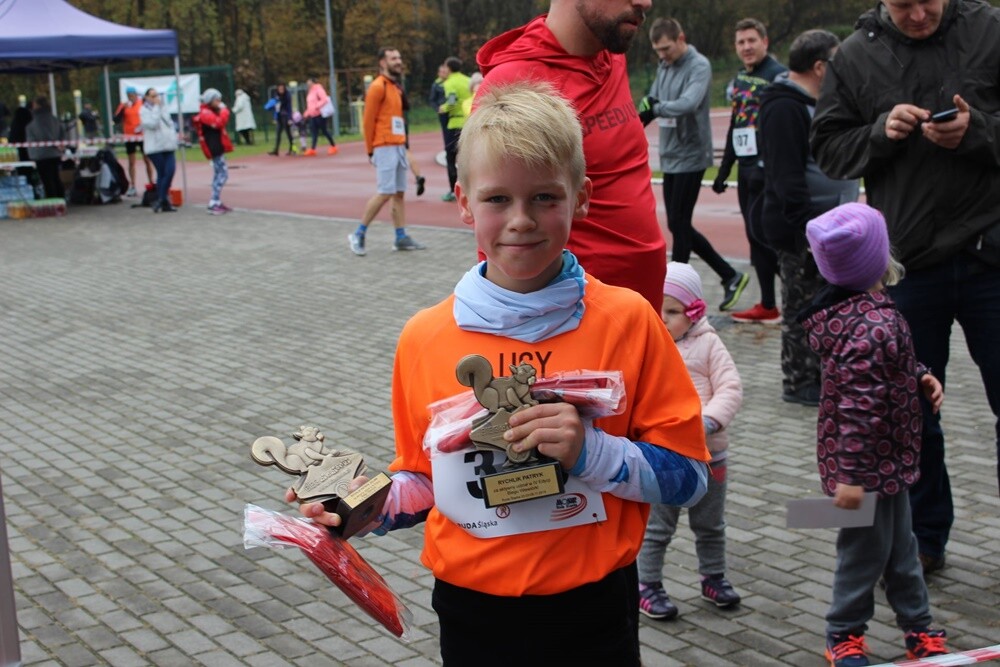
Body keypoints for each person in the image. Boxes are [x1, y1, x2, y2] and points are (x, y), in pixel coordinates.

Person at [288, 80, 710, 666]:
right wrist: (364, 505)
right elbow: (425, 483)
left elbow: (690, 477)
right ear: (463, 202)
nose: (521, 221)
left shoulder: (630, 321)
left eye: (544, 197)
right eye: (497, 200)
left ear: (581, 197)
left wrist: (591, 452)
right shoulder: (424, 338)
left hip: (594, 610)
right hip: (472, 612)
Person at [810, 0, 1000, 576]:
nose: (919, 14)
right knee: (913, 410)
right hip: (912, 263)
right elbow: (828, 147)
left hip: (992, 252)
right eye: (903, 4)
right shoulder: (857, 53)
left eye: (929, 1)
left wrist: (979, 131)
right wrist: (879, 133)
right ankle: (926, 537)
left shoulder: (990, 29)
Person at [800, 203, 948, 667]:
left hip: (891, 463)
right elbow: (858, 409)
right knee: (863, 554)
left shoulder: (867, 315)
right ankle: (843, 632)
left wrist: (920, 375)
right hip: (865, 471)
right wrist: (850, 477)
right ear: (878, 259)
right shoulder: (872, 324)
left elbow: (889, 370)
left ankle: (918, 625)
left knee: (902, 549)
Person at [477, 0, 667, 312]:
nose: (645, 2)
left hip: (642, 315)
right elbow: (495, 230)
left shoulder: (611, 55)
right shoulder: (516, 84)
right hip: (576, 325)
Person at [758, 30, 860, 407]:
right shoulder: (784, 106)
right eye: (836, 63)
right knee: (803, 309)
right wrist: (808, 234)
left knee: (826, 303)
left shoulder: (819, 102)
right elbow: (787, 178)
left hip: (830, 229)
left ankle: (825, 375)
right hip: (803, 234)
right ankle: (800, 382)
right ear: (820, 66)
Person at [637, 262, 743, 621]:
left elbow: (730, 387)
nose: (663, 317)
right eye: (658, 309)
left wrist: (710, 421)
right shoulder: (650, 345)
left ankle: (714, 577)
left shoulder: (709, 344)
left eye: (673, 311)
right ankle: (647, 583)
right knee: (658, 526)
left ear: (694, 312)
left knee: (710, 524)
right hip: (667, 457)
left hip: (712, 454)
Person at [639, 17, 748, 312]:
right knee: (678, 223)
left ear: (681, 38)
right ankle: (730, 275)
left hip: (692, 154)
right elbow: (655, 97)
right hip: (672, 154)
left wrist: (657, 107)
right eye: (657, 51)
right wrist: (645, 110)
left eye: (666, 49)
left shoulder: (698, 65)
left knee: (679, 223)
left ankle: (676, 291)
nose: (662, 55)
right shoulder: (664, 66)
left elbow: (689, 102)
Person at [712, 18, 787, 324]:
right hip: (745, 172)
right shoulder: (741, 78)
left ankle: (804, 294)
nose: (746, 47)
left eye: (751, 40)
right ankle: (768, 304)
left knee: (768, 236)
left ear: (765, 42)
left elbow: (785, 127)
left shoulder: (779, 76)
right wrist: (724, 169)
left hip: (769, 173)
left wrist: (766, 165)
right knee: (754, 239)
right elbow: (737, 125)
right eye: (741, 42)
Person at [348, 47, 426, 255]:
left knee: (399, 194)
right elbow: (368, 121)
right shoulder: (377, 87)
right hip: (383, 146)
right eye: (393, 58)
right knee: (385, 192)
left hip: (398, 145)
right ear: (382, 63)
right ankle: (358, 233)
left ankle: (401, 236)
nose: (398, 61)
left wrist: (403, 143)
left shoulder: (395, 87)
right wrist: (370, 150)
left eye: (399, 57)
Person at [192, 88, 234, 215]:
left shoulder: (209, 111)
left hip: (217, 145)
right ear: (210, 100)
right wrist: (225, 111)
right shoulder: (205, 113)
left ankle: (216, 201)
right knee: (223, 174)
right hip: (214, 147)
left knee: (218, 174)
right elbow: (219, 122)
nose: (220, 102)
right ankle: (213, 201)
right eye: (217, 100)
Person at [139, 87, 179, 213]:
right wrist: (156, 108)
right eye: (152, 95)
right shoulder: (144, 110)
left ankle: (161, 199)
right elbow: (152, 124)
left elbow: (169, 123)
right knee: (162, 173)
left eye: (157, 95)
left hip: (168, 145)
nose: (156, 98)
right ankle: (163, 200)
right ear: (146, 98)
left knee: (170, 171)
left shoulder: (163, 107)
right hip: (155, 147)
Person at [438, 57, 471, 202]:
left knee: (451, 158)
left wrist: (443, 108)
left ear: (449, 68)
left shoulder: (450, 82)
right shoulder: (468, 80)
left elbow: (451, 102)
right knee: (469, 157)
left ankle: (453, 190)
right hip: (469, 122)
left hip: (454, 124)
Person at [114, 87, 154, 197]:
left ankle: (151, 183)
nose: (130, 96)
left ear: (136, 95)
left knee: (147, 160)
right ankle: (132, 186)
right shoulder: (124, 105)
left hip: (142, 136)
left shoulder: (142, 103)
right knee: (131, 162)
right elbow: (116, 120)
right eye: (128, 95)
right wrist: (123, 109)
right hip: (129, 136)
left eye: (132, 94)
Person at [25, 96, 65, 200]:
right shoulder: (54, 119)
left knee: (48, 180)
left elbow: (44, 135)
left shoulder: (37, 121)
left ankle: (53, 202)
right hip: (55, 153)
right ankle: (61, 200)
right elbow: (61, 132)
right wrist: (60, 145)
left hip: (42, 154)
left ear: (37, 105)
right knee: (55, 178)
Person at [302, 76, 338, 156]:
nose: (308, 83)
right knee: (314, 132)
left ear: (312, 81)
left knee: (324, 131)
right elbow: (310, 105)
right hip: (312, 115)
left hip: (320, 114)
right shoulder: (310, 91)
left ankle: (333, 146)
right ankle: (313, 149)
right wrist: (306, 113)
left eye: (309, 81)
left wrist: (317, 106)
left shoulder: (318, 89)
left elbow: (324, 99)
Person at [267, 83, 295, 156]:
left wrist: (289, 118)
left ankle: (292, 148)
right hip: (279, 117)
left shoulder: (287, 96)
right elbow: (275, 107)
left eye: (282, 88)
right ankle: (276, 150)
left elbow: (289, 108)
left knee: (288, 133)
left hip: (285, 116)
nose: (281, 90)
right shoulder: (276, 96)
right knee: (278, 133)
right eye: (279, 88)